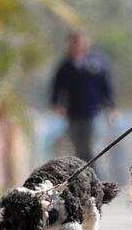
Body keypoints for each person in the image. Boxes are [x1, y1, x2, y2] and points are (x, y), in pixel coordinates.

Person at [50, 31, 117, 164]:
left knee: (92, 148)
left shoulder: (96, 62)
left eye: (79, 43)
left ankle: (98, 180)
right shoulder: (65, 65)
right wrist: (57, 103)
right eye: (73, 43)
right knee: (78, 149)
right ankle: (83, 178)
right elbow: (57, 86)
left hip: (93, 112)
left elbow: (106, 85)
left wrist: (112, 107)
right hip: (73, 113)